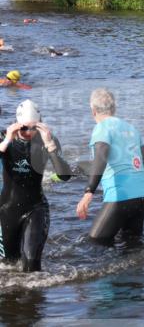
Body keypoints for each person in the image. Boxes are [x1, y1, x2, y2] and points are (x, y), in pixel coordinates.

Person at [0, 99, 71, 271]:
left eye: (34, 127)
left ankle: (34, 297)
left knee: (31, 263)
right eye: (24, 127)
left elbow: (64, 175)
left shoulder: (47, 140)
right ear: (17, 124)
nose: (28, 132)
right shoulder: (4, 137)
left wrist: (50, 145)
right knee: (7, 265)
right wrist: (7, 140)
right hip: (7, 210)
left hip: (36, 207)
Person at [76, 88, 144, 243]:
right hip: (142, 196)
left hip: (120, 196)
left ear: (93, 110)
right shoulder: (132, 129)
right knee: (132, 246)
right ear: (114, 108)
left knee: (95, 243)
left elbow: (101, 156)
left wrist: (88, 192)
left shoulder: (102, 127)